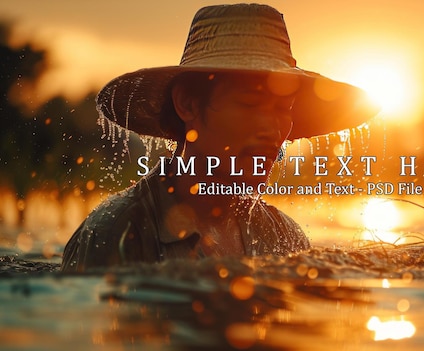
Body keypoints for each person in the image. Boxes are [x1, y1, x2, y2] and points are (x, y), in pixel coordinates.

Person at [61, 4, 378, 272]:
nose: (273, 130)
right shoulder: (118, 232)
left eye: (284, 107)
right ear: (188, 104)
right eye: (250, 104)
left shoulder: (283, 235)